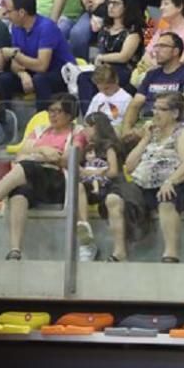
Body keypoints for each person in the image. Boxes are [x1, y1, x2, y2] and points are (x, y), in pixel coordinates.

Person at [0, 93, 85, 261]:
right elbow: (21, 154)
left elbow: (68, 159)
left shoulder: (77, 132)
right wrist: (44, 151)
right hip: (35, 175)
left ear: (69, 114)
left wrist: (37, 152)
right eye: (50, 110)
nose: (52, 115)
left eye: (58, 111)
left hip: (60, 180)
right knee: (20, 191)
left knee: (26, 167)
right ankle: (15, 250)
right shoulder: (40, 130)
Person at [101, 91, 184, 262]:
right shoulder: (152, 133)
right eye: (154, 108)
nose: (155, 113)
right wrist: (145, 138)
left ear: (175, 113)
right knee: (113, 198)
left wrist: (170, 181)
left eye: (161, 109)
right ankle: (119, 251)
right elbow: (130, 167)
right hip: (147, 184)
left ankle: (171, 253)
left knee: (167, 197)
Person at [0, 0, 76, 110]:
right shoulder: (16, 27)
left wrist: (15, 54)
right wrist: (22, 74)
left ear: (22, 12)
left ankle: (43, 119)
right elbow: (15, 64)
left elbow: (42, 66)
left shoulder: (46, 27)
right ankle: (6, 119)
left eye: (9, 11)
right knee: (4, 79)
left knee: (40, 79)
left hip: (60, 73)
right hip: (33, 72)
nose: (6, 15)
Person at [75, 0, 144, 111]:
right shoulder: (105, 28)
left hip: (123, 70)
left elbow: (124, 56)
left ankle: (95, 117)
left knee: (91, 79)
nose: (111, 6)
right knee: (84, 77)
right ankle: (90, 116)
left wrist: (102, 58)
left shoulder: (133, 31)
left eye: (116, 3)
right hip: (104, 68)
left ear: (126, 6)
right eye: (109, 3)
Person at [121, 32, 184, 138]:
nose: (156, 50)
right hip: (144, 121)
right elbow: (135, 104)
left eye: (163, 46)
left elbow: (181, 109)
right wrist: (127, 129)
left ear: (175, 51)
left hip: (168, 125)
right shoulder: (152, 74)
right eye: (156, 46)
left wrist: (145, 131)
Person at [76, 112, 122, 261]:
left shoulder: (109, 147)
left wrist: (95, 172)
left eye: (86, 127)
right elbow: (80, 169)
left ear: (96, 127)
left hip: (106, 185)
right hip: (89, 184)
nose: (84, 131)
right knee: (77, 188)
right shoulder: (87, 148)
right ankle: (84, 226)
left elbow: (113, 171)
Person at [137, 0, 184, 75]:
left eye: (166, 4)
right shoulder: (161, 31)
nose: (161, 8)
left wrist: (169, 65)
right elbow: (147, 54)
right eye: (161, 5)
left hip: (182, 73)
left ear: (179, 7)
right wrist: (156, 65)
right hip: (158, 72)